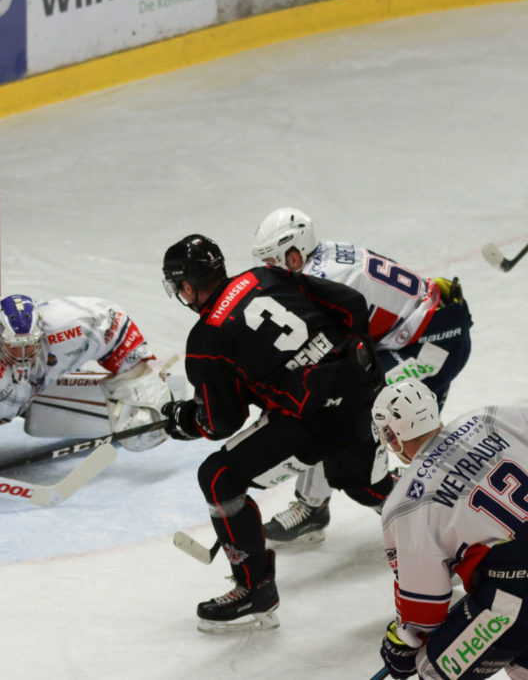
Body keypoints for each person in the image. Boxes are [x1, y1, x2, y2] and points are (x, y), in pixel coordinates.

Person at [159, 233, 394, 633]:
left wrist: (187, 420)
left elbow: (222, 422)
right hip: (361, 388)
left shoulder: (206, 339)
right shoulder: (263, 276)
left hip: (315, 421)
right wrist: (345, 359)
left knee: (218, 478)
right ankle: (452, 540)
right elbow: (352, 303)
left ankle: (255, 590)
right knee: (364, 484)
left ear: (187, 286)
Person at [251, 207, 473, 545]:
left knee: (344, 409)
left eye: (272, 261)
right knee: (330, 406)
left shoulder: (322, 281)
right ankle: (316, 504)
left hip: (434, 344)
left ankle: (413, 517)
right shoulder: (319, 258)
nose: (267, 270)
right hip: (420, 333)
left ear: (294, 256)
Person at [0, 294, 172, 490]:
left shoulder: (66, 326)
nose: (23, 355)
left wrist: (137, 372)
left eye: (30, 345)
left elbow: (112, 320)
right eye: (15, 347)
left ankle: (22, 399)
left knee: (16, 385)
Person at [372, 380, 528, 680]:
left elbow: (424, 605)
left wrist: (405, 641)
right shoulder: (490, 417)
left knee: (433, 669)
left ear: (392, 436)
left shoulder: (404, 504)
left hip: (513, 597)